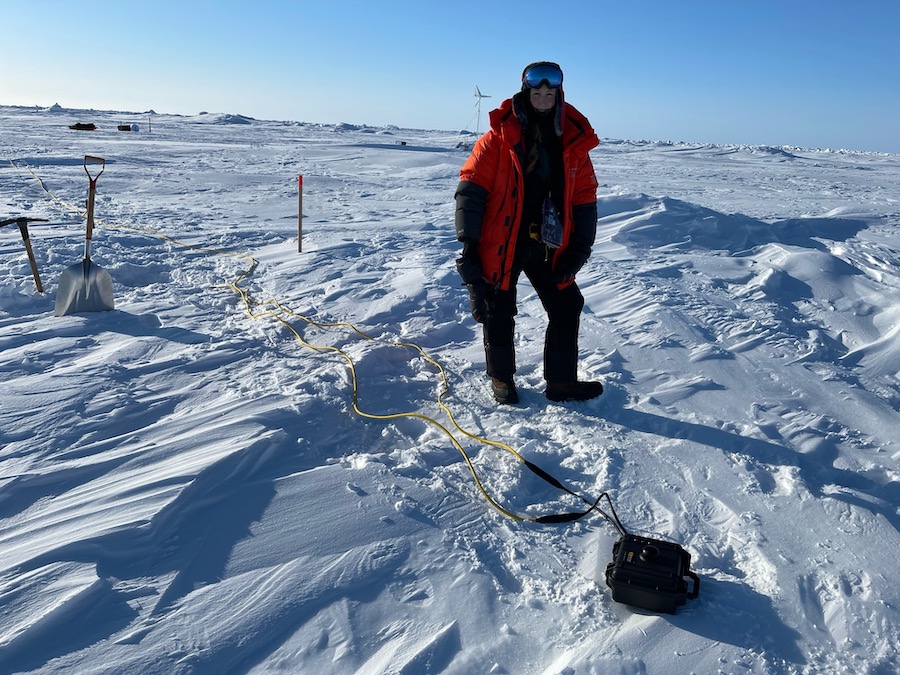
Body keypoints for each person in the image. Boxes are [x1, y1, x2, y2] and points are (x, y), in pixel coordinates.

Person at [454, 61, 603, 405]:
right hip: (503, 240)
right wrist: (470, 245)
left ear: (558, 95)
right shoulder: (497, 138)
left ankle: (561, 382)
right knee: (498, 307)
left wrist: (581, 247)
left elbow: (584, 198)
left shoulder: (573, 141)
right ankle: (502, 380)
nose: (543, 98)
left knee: (568, 304)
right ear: (526, 92)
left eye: (550, 93)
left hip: (548, 242)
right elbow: (470, 191)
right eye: (537, 92)